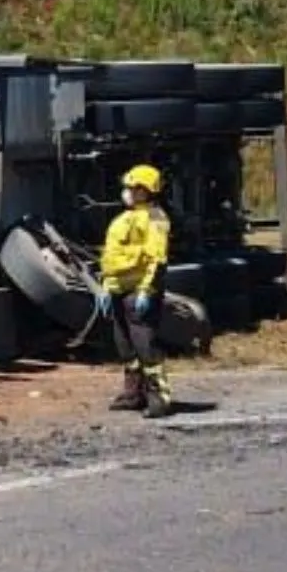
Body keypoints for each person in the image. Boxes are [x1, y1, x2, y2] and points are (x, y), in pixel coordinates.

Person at [97, 164, 175, 419]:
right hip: (118, 291)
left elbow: (156, 259)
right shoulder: (123, 219)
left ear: (144, 191)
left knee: (145, 346)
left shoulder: (155, 218)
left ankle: (159, 398)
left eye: (131, 188)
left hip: (139, 293)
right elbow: (112, 258)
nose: (127, 192)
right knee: (125, 347)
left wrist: (147, 290)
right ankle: (134, 394)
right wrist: (106, 288)